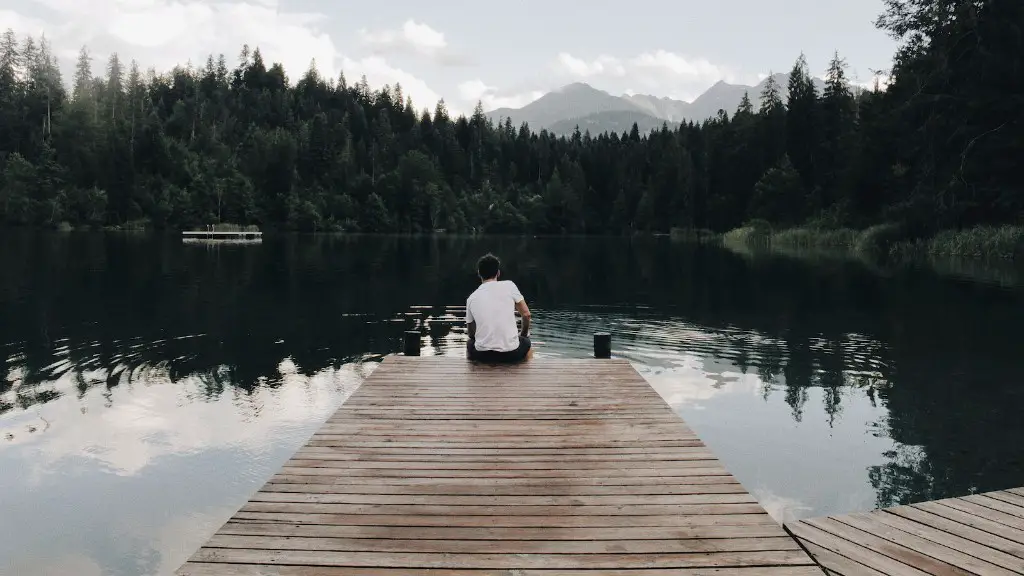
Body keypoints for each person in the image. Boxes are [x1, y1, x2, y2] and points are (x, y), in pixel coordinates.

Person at [465, 253, 532, 363]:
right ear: (498, 273)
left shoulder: (471, 298)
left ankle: (472, 372)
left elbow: (471, 334)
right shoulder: (509, 286)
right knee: (527, 343)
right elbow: (526, 314)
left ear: (479, 274)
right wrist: (523, 335)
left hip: (483, 355)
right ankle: (526, 372)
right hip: (511, 353)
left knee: (469, 343)